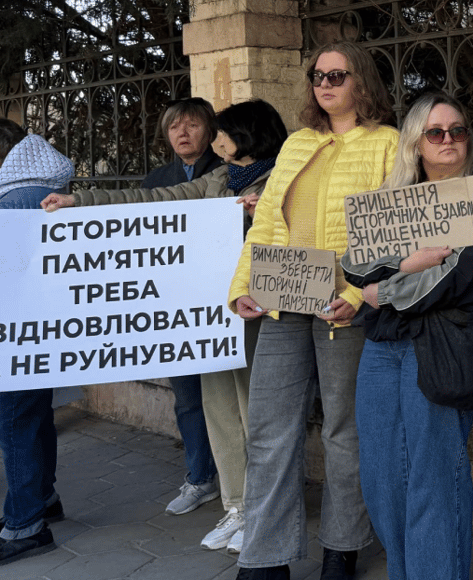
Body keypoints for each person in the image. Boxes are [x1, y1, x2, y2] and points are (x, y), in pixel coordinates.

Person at [41, 99, 290, 553]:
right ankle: (236, 505)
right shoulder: (220, 179)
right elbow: (158, 199)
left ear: (249, 133)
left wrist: (263, 214)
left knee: (256, 412)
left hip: (259, 312)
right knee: (218, 410)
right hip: (212, 313)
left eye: (223, 130)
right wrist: (81, 201)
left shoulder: (283, 178)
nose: (215, 138)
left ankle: (265, 508)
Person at [228, 43, 398, 580]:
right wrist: (241, 286)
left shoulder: (388, 144)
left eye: (337, 75)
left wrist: (354, 293)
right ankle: (264, 556)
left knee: (344, 432)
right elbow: (268, 226)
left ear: (361, 82)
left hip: (341, 307)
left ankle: (341, 549)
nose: (324, 84)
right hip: (281, 303)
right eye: (317, 75)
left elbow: (389, 230)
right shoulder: (298, 142)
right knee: (269, 427)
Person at [341, 92, 473, 580]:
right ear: (416, 141)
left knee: (434, 479)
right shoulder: (395, 198)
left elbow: (462, 277)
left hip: (441, 347)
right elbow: (355, 265)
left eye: (458, 131)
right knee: (382, 479)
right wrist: (408, 262)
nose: (448, 141)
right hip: (381, 351)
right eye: (435, 132)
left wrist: (384, 291)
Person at [141, 98, 227, 517]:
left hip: (222, 302)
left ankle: (237, 482)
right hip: (175, 305)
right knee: (188, 397)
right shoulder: (156, 180)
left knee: (227, 397)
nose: (182, 133)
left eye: (192, 125)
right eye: (174, 126)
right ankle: (200, 476)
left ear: (210, 130)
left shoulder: (229, 172)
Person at [0, 120, 74, 566]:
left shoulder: (12, 200)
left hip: (15, 330)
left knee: (15, 421)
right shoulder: (49, 190)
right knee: (35, 411)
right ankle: (44, 498)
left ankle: (26, 523)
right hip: (46, 327)